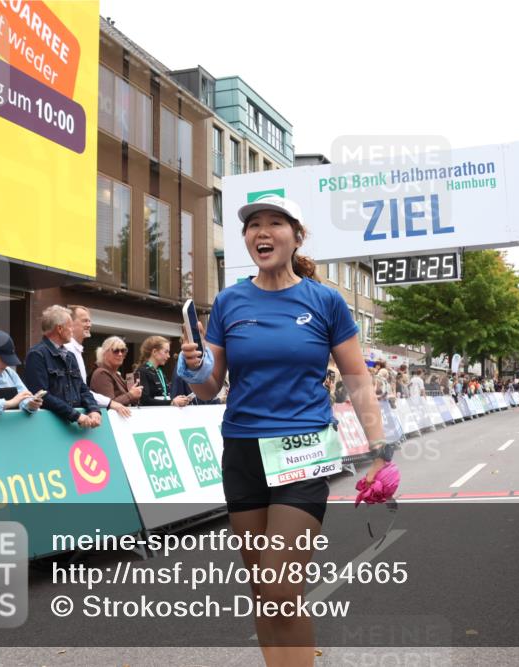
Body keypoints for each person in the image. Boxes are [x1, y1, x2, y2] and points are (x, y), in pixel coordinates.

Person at [176, 194, 389, 666]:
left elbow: (357, 379)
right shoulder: (230, 302)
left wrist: (380, 448)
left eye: (275, 223)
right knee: (262, 588)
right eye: (254, 225)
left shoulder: (325, 301)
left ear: (296, 235)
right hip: (243, 452)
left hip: (302, 449)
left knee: (280, 585)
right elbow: (210, 387)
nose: (262, 232)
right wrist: (193, 367)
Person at [23, 305, 101, 429]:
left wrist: (94, 409)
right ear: (59, 328)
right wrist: (75, 415)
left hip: (71, 426)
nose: (72, 330)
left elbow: (82, 388)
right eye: (70, 326)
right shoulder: (37, 355)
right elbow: (41, 395)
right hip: (50, 428)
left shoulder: (70, 356)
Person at [66, 305, 131, 418]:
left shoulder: (77, 350)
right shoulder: (66, 350)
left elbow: (82, 389)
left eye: (123, 350)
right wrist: (115, 401)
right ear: (70, 323)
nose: (89, 325)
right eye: (85, 321)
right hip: (71, 416)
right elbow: (78, 390)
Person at [89, 336, 144, 409]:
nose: (120, 354)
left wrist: (134, 394)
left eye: (123, 350)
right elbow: (109, 404)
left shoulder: (114, 373)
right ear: (105, 353)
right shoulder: (101, 373)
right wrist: (131, 395)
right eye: (116, 351)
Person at [136, 336, 190, 407]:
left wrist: (178, 400)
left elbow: (165, 396)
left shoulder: (159, 371)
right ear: (154, 352)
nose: (169, 356)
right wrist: (171, 402)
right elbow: (145, 400)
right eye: (166, 352)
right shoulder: (142, 371)